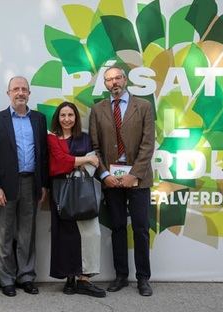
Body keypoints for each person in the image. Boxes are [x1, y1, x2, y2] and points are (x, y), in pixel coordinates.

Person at [89, 66, 155, 296]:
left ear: (125, 80)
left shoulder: (144, 107)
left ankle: (143, 278)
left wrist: (134, 174)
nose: (114, 82)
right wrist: (105, 175)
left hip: (139, 179)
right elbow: (94, 147)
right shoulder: (98, 110)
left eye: (117, 78)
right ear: (105, 84)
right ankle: (120, 276)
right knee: (117, 228)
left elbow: (148, 145)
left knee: (140, 229)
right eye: (109, 80)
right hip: (112, 181)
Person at [0, 76, 48, 297]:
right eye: (16, 89)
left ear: (29, 93)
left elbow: (43, 154)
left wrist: (43, 185)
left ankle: (26, 277)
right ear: (8, 93)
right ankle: (7, 280)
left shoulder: (39, 119)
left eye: (24, 89)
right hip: (5, 185)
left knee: (27, 233)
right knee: (3, 233)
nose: (20, 92)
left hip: (31, 182)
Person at [47, 101, 106, 297]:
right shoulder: (52, 138)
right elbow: (57, 164)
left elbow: (94, 163)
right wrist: (83, 160)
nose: (66, 119)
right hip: (61, 192)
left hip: (83, 192)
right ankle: (70, 278)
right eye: (62, 115)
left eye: (70, 115)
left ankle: (85, 279)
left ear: (76, 118)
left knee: (91, 234)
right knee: (66, 237)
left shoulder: (85, 138)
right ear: (58, 118)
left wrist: (80, 162)